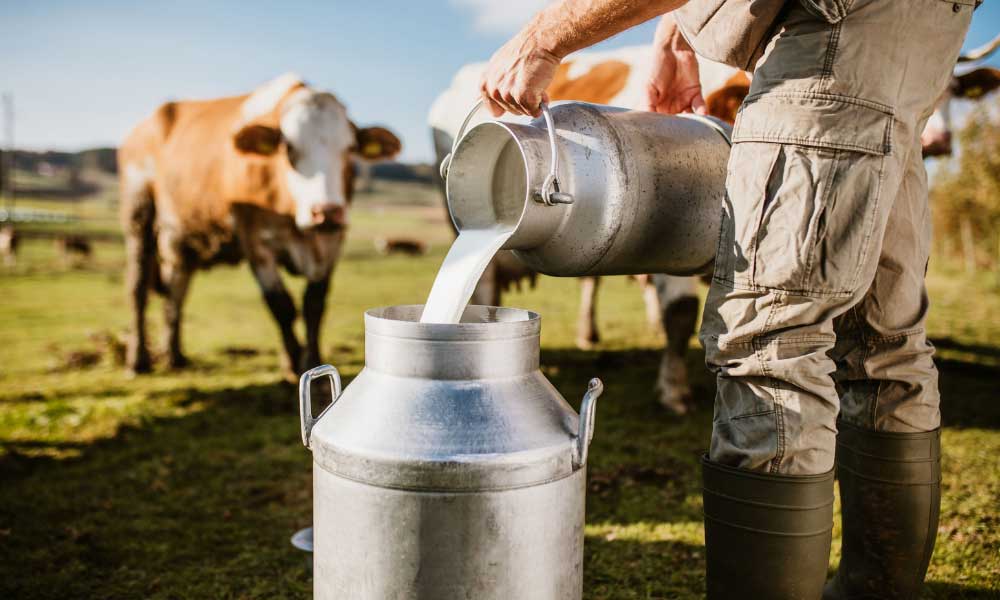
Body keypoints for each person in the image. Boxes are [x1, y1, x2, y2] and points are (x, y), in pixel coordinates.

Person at [478, 0, 974, 598]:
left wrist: (540, 39)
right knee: (881, 343)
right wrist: (675, 30)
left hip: (828, 39)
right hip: (913, 37)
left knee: (769, 344)